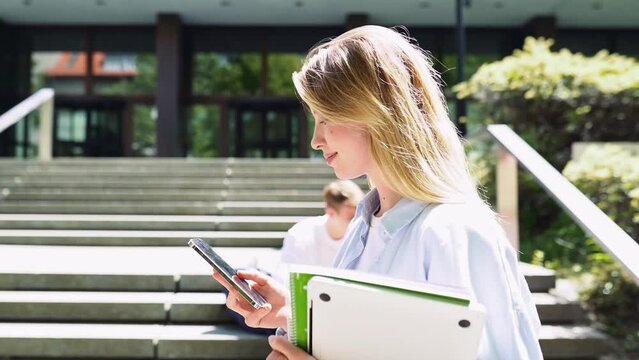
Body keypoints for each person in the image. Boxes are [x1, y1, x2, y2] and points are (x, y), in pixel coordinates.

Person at [213, 25, 543, 360]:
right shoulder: (366, 224)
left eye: (326, 119)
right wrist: (293, 316)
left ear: (376, 113)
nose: (315, 140)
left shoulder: (454, 231)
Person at [278, 180, 364, 271]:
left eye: (360, 217)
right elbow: (287, 276)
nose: (357, 222)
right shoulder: (300, 236)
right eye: (351, 218)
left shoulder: (364, 237)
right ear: (331, 213)